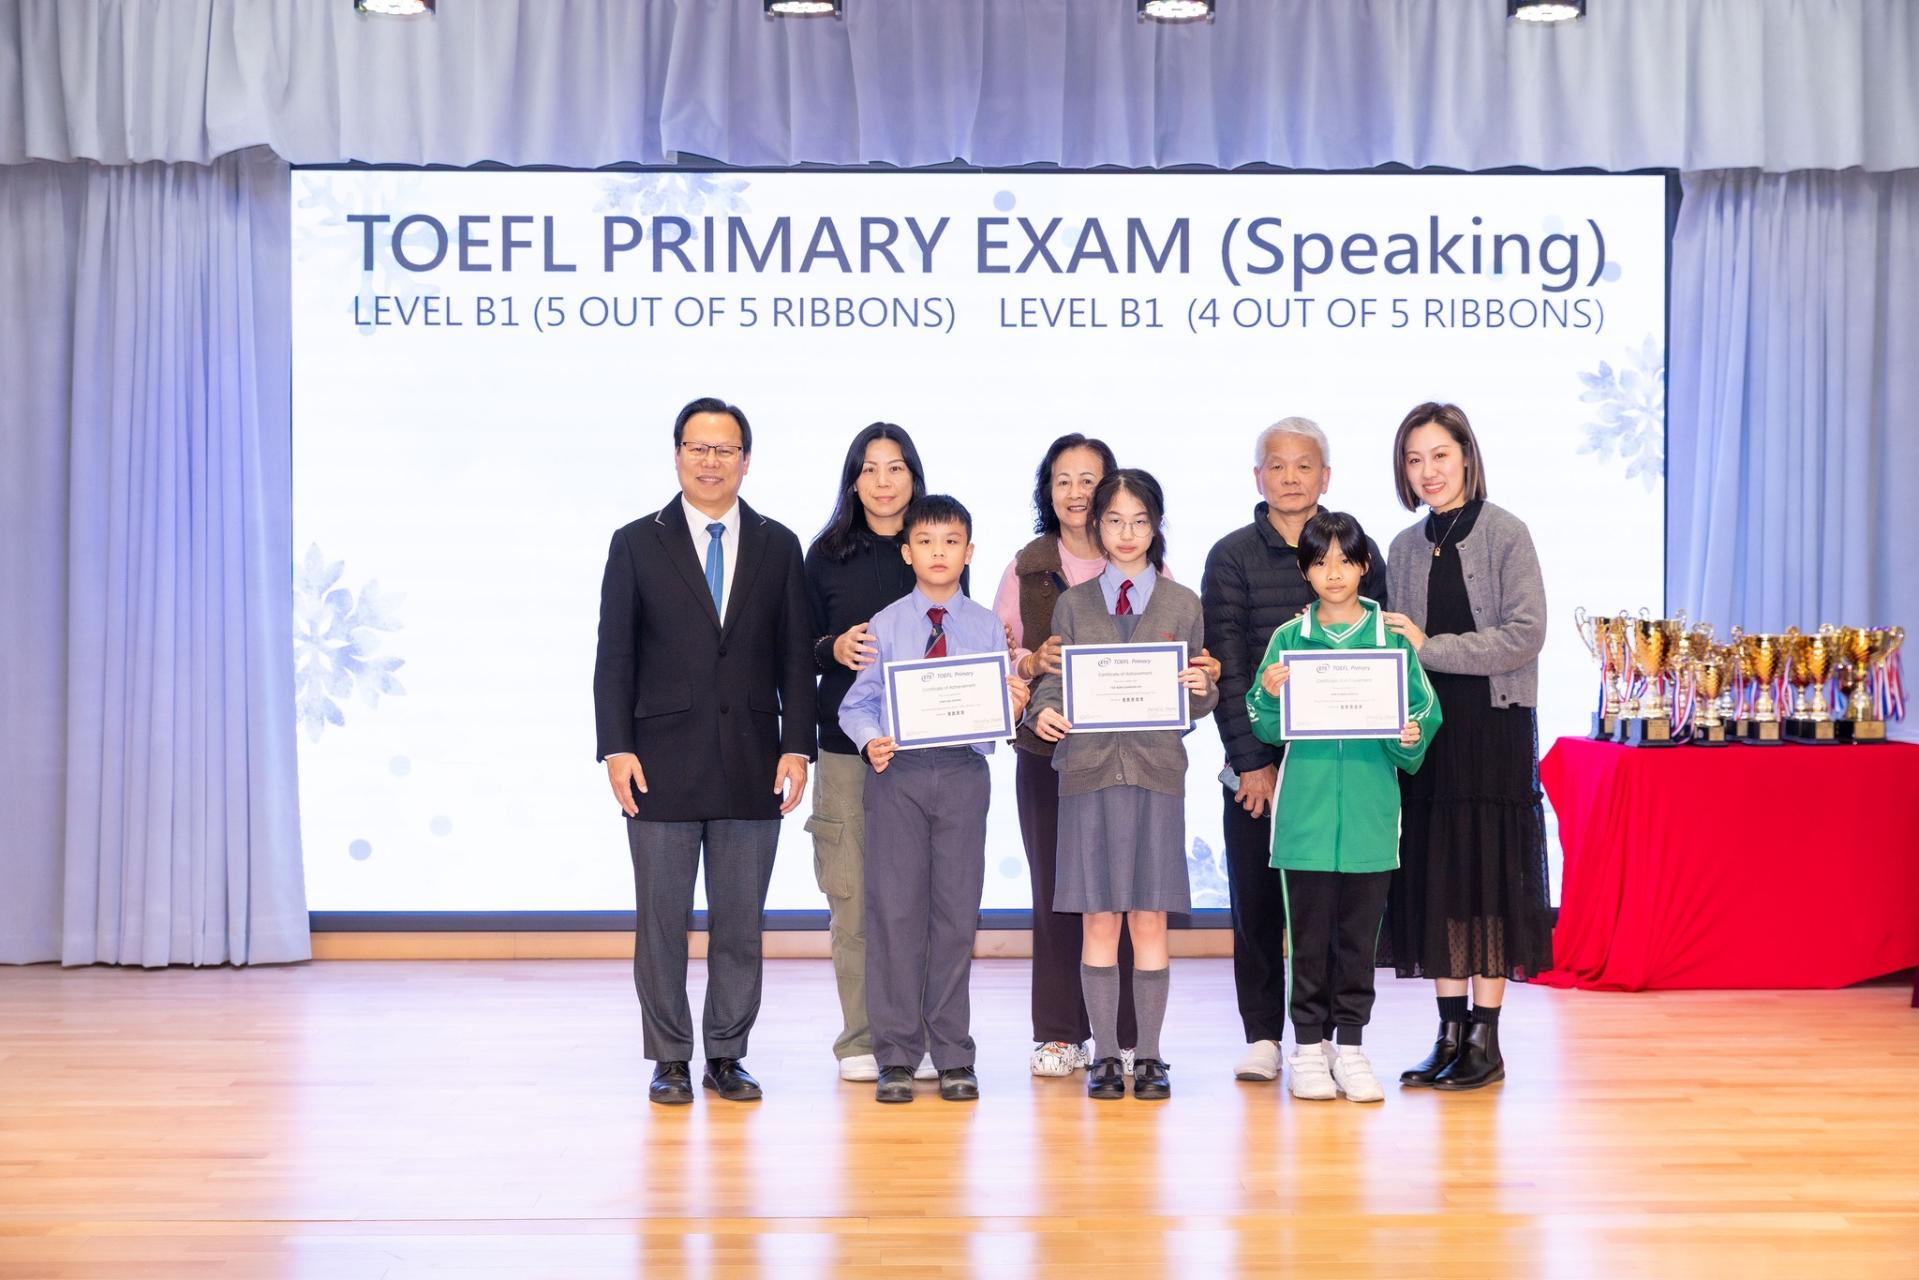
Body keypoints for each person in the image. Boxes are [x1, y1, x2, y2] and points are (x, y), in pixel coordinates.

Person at [592, 396, 815, 1107]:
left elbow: (794, 657)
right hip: (659, 761)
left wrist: (798, 746)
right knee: (661, 922)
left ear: (746, 461)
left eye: (724, 450)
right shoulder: (636, 542)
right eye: (698, 447)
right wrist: (615, 747)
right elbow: (614, 656)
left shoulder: (779, 544)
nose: (710, 461)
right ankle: (669, 1057)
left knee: (740, 921)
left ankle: (727, 1052)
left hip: (754, 759)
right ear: (677, 454)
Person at [1200, 418, 1388, 1084]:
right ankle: (1262, 1036)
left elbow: (1381, 662)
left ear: (1325, 476)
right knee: (1256, 905)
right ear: (1258, 476)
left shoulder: (1355, 546)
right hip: (1255, 763)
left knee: (1331, 911)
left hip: (1340, 766)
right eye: (1275, 465)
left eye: (1303, 465)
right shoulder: (1230, 555)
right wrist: (1252, 762)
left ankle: (1331, 1038)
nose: (1289, 477)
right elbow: (1227, 664)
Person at [1026, 469, 1218, 1101]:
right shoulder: (1073, 604)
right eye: (1114, 520)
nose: (1127, 533)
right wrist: (1041, 712)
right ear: (1097, 526)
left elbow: (1196, 696)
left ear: (1156, 526)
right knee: (1099, 919)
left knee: (1151, 917)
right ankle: (1106, 1055)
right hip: (1088, 777)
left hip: (1156, 776)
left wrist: (1203, 689)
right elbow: (1055, 682)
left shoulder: (1182, 603)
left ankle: (1150, 1055)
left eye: (1139, 520)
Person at [1380, 402, 1551, 1092]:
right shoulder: (1402, 547)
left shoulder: (1506, 532)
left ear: (1466, 457)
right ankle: (1448, 1034)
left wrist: (1432, 648)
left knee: (1487, 882)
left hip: (1491, 728)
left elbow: (1525, 634)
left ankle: (1486, 1041)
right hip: (1427, 733)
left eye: (1440, 455)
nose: (1428, 471)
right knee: (1439, 880)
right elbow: (1390, 646)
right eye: (1414, 459)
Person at [838, 495, 1030, 1103]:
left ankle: (952, 1055)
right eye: (925, 541)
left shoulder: (986, 626)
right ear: (907, 552)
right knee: (894, 915)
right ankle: (895, 1056)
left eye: (951, 542)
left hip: (963, 774)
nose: (938, 552)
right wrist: (870, 741)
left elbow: (1001, 704)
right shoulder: (885, 624)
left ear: (969, 552)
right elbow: (857, 704)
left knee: (955, 915)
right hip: (897, 775)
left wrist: (1013, 702)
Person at [804, 423, 964, 1085]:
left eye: (894, 467)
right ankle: (861, 1039)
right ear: (852, 480)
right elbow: (794, 646)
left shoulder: (937, 543)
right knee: (854, 900)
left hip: (925, 753)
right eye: (868, 469)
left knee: (921, 902)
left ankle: (916, 1038)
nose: (882, 481)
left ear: (913, 475)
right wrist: (831, 649)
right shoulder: (824, 555)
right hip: (848, 752)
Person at [992, 433, 1137, 1078]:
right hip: (1046, 752)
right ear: (1046, 492)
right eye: (1063, 480)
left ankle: (1123, 1034)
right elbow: (996, 654)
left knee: (1124, 891)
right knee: (1055, 890)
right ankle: (1058, 1033)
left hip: (1126, 755)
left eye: (1089, 480)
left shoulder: (1142, 561)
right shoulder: (1025, 568)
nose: (1076, 493)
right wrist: (1029, 661)